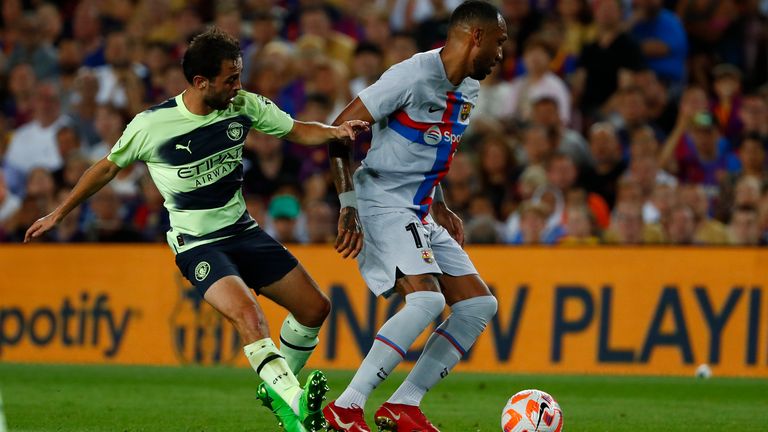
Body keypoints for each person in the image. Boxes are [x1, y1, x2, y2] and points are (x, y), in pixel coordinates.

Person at [24, 27, 369, 432]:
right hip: (198, 244)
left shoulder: (243, 105)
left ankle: (277, 388)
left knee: (315, 308)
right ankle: (296, 406)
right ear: (201, 82)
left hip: (243, 231)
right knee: (249, 316)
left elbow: (294, 128)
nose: (238, 86)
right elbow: (106, 168)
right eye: (230, 79)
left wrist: (335, 132)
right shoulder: (152, 125)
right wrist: (59, 212)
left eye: (239, 75)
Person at [322, 2, 505, 431]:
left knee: (479, 305)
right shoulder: (410, 76)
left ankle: (403, 404)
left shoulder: (470, 90)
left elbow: (429, 149)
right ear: (475, 36)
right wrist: (347, 204)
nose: (501, 54)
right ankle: (346, 408)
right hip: (379, 200)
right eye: (498, 43)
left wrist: (438, 201)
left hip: (420, 207)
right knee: (427, 300)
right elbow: (338, 133)